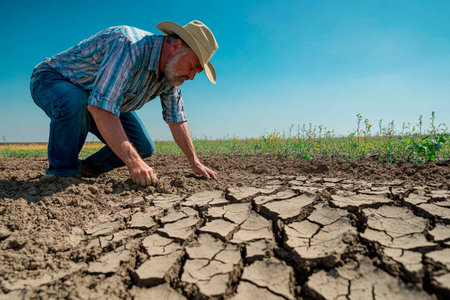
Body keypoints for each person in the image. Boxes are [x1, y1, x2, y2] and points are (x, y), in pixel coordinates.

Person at [30, 20, 219, 186]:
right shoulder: (128, 44)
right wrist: (134, 163)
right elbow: (100, 107)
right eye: (193, 66)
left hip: (98, 97)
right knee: (76, 101)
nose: (192, 76)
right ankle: (62, 172)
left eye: (197, 72)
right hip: (54, 79)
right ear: (176, 46)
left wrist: (194, 162)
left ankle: (85, 169)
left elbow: (177, 119)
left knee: (143, 146)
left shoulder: (171, 77)